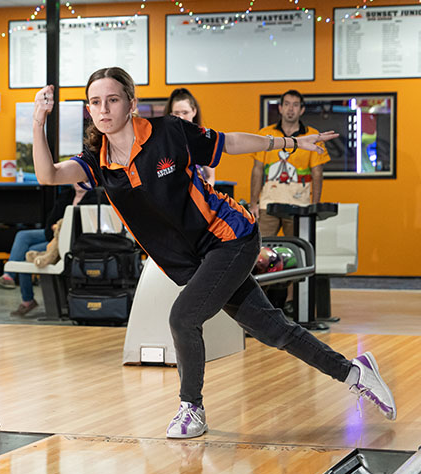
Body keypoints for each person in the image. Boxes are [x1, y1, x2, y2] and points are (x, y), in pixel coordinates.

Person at [31, 67, 396, 439]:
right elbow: (48, 174)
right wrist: (39, 121)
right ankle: (356, 372)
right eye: (95, 102)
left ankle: (192, 408)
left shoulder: (169, 131)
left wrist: (289, 144)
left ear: (131, 103)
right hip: (192, 261)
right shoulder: (97, 159)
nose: (104, 109)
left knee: (183, 318)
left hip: (229, 237)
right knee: (272, 330)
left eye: (112, 99)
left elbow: (231, 142)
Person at [0, 183, 101, 316]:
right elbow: (51, 220)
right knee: (22, 236)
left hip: (69, 240)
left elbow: (82, 226)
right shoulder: (66, 195)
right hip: (52, 234)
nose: (79, 183)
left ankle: (27, 300)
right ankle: (8, 276)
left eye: (84, 180)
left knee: (27, 254)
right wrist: (54, 228)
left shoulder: (95, 198)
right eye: (76, 179)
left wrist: (60, 228)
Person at [249, 89, 329, 237]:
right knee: (260, 251)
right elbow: (257, 169)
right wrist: (253, 203)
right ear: (280, 108)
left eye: (295, 105)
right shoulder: (265, 134)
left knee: (298, 250)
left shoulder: (312, 136)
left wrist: (315, 205)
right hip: (268, 204)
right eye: (286, 104)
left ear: (302, 110)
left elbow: (317, 172)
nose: (290, 109)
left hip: (299, 206)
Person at [165, 87, 215, 186]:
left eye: (185, 112)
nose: (181, 117)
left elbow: (210, 177)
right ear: (171, 114)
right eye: (176, 113)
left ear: (194, 111)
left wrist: (202, 197)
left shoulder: (204, 140)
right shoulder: (164, 141)